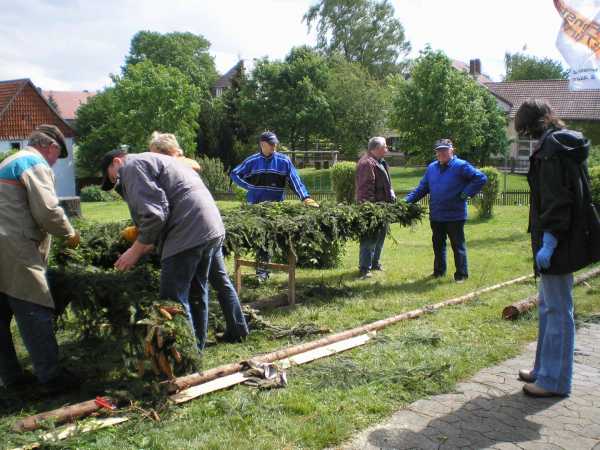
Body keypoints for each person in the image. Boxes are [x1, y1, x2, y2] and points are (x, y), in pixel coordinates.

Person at [100, 149, 225, 351]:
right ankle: (196, 351)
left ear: (117, 162)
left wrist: (135, 250)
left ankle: (185, 356)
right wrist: (151, 242)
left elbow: (154, 215)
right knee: (196, 293)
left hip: (186, 232)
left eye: (114, 178)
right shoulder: (157, 159)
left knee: (172, 300)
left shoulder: (131, 166)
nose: (117, 183)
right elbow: (167, 202)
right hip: (210, 228)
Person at [515, 99, 594, 398]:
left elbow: (557, 201)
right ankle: (543, 368)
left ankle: (555, 381)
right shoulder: (556, 145)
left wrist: (549, 242)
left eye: (521, 128)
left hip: (558, 241)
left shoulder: (551, 151)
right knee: (549, 308)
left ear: (528, 124)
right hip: (558, 238)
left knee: (559, 311)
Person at [0, 124, 80, 391]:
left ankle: (11, 377)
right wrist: (69, 233)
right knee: (34, 306)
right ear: (51, 147)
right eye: (58, 156)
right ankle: (51, 377)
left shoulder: (9, 161)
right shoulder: (33, 162)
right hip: (15, 245)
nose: (56, 162)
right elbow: (46, 210)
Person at [148, 131, 249, 342]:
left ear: (164, 152)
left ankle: (193, 343)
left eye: (154, 154)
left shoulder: (175, 164)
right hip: (210, 229)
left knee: (199, 287)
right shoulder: (180, 164)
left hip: (194, 231)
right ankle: (238, 329)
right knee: (220, 280)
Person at [230, 131, 318, 280]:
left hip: (274, 208)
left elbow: (295, 181)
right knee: (258, 239)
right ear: (262, 145)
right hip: (255, 207)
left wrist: (306, 197)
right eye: (271, 144)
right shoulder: (252, 160)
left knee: (270, 238)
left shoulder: (284, 161)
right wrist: (248, 187)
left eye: (275, 143)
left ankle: (263, 272)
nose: (275, 146)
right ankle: (261, 271)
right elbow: (234, 173)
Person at [405, 138, 487, 282]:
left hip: (455, 215)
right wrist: (405, 202)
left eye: (444, 150)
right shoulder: (431, 168)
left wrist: (466, 192)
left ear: (451, 150)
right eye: (439, 151)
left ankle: (461, 275)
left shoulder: (461, 165)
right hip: (437, 215)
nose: (441, 153)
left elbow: (480, 178)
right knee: (438, 245)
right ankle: (439, 272)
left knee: (457, 246)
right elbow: (421, 189)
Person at [355, 136, 396, 279]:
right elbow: (366, 190)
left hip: (383, 207)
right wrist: (370, 210)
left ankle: (375, 263)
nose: (387, 149)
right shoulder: (366, 163)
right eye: (385, 146)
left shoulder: (381, 162)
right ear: (377, 148)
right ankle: (364, 268)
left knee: (380, 236)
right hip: (372, 209)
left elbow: (386, 183)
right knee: (369, 238)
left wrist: (391, 192)